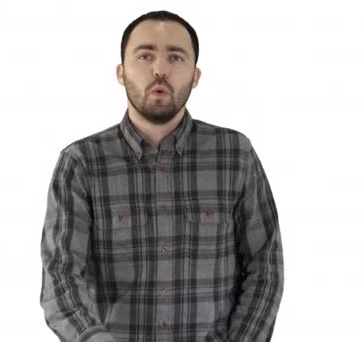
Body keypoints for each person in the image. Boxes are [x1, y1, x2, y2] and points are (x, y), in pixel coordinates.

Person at [40, 10, 284, 342]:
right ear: (121, 72)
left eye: (175, 57)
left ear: (196, 75)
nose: (160, 69)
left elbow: (265, 267)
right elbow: (60, 277)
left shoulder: (235, 155)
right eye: (145, 55)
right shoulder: (81, 163)